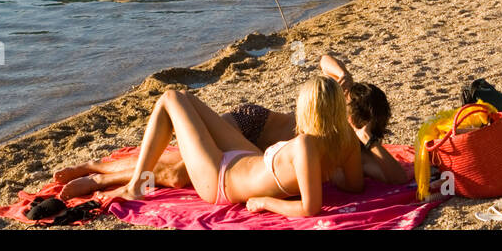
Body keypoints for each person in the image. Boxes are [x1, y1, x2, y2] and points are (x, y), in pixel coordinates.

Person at [54, 56, 408, 198]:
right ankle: (99, 169)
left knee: (178, 172)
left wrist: (371, 138)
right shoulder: (329, 103)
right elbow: (323, 61)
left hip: (256, 157)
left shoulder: (347, 144)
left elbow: (394, 176)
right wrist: (343, 76)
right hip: (251, 125)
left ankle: (107, 178)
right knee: (178, 165)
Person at [101, 76, 362, 217]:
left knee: (170, 99)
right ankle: (128, 179)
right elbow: (354, 185)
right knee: (184, 97)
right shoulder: (347, 139)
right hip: (251, 158)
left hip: (220, 180)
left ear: (307, 109)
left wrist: (265, 202)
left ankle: (137, 186)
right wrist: (323, 171)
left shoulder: (305, 144)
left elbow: (310, 209)